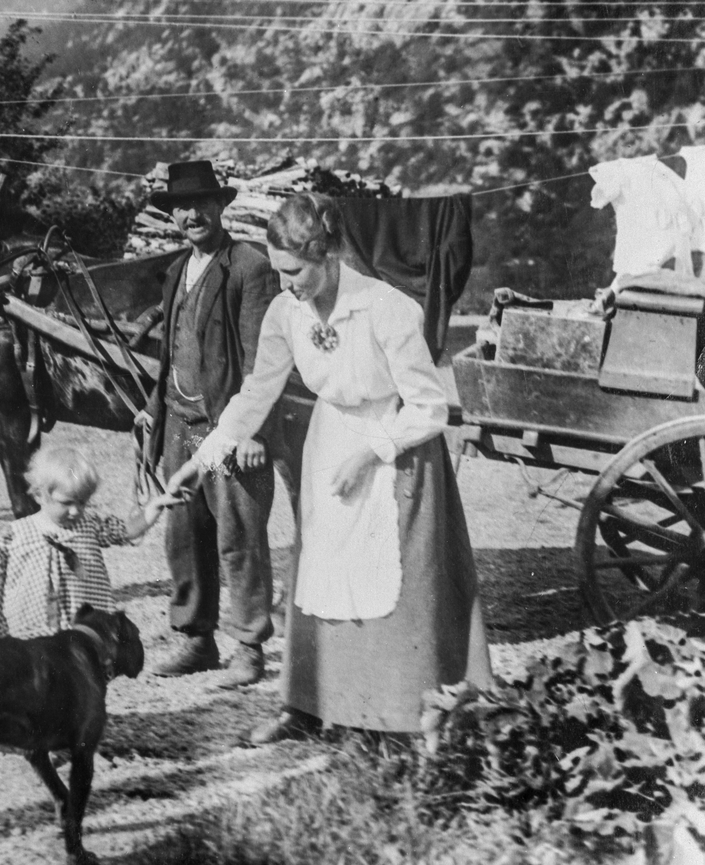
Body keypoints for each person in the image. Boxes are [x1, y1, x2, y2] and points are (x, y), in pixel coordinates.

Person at [167, 193, 495, 744]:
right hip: (330, 440)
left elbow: (431, 407)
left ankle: (399, 713)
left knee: (389, 580)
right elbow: (257, 393)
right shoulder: (285, 311)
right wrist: (202, 461)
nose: (286, 283)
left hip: (397, 448)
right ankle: (307, 706)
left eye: (294, 271)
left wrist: (371, 451)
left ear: (329, 256)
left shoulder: (387, 309)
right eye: (277, 271)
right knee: (321, 572)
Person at [137, 160, 283, 688]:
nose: (192, 214)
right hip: (180, 422)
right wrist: (155, 416)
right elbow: (171, 353)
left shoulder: (249, 266)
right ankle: (196, 638)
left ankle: (248, 645)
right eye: (181, 206)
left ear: (221, 206)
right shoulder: (178, 270)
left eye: (202, 203)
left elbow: (264, 364)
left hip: (230, 424)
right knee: (184, 534)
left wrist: (253, 433)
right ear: (171, 215)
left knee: (238, 536)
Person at [0, 445, 179, 638]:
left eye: (82, 503)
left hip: (81, 625)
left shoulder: (90, 524)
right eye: (66, 503)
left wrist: (154, 507)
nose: (75, 511)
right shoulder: (18, 533)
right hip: (34, 626)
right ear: (39, 495)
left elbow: (128, 531)